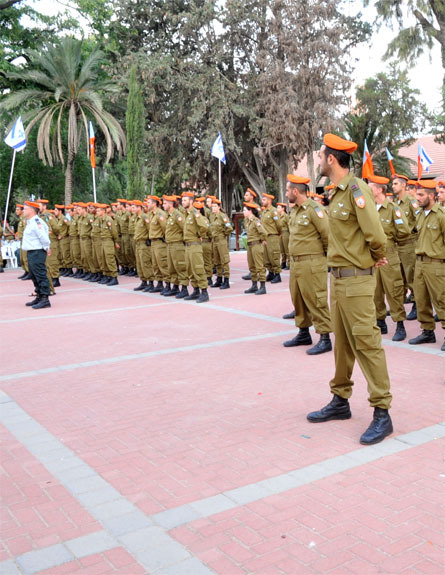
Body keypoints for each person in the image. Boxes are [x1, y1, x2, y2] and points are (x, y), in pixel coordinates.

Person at [307, 133, 393, 446]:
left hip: (357, 281)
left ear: (331, 159)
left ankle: (382, 411)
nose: (318, 159)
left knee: (366, 344)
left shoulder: (357, 190)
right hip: (339, 281)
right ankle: (340, 400)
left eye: (320, 155)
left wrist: (375, 256)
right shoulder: (337, 193)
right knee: (342, 345)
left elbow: (376, 233)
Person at [283, 174, 332, 355]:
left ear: (296, 191)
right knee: (299, 299)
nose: (286, 193)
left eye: (288, 190)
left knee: (316, 299)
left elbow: (327, 235)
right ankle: (303, 333)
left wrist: (325, 260)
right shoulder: (295, 211)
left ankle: (325, 337)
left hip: (312, 262)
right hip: (296, 264)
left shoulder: (314, 209)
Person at [368, 174, 410, 342]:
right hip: (372, 255)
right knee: (375, 290)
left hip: (389, 253)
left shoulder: (393, 208)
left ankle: (400, 325)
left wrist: (391, 244)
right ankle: (380, 321)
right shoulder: (368, 208)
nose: (368, 191)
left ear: (379, 190)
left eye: (370, 188)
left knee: (394, 290)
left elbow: (404, 231)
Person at [408, 180, 445, 351]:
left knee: (441, 300)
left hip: (436, 265)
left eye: (421, 195)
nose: (418, 198)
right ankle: (428, 331)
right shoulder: (420, 215)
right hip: (420, 264)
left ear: (431, 195)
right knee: (421, 300)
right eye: (417, 195)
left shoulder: (441, 215)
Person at [392, 174, 418, 319]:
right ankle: (399, 306)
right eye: (393, 183)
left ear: (403, 185)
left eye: (396, 183)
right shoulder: (396, 202)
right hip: (397, 245)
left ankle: (417, 305)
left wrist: (412, 231)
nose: (393, 186)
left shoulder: (411, 202)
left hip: (409, 244)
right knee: (399, 277)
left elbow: (419, 219)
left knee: (411, 276)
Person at [21, 201, 51, 309]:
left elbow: (43, 237)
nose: (23, 211)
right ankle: (39, 295)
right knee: (33, 275)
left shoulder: (37, 222)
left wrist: (47, 247)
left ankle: (45, 298)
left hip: (37, 252)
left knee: (40, 275)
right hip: (31, 252)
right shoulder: (30, 222)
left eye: (25, 208)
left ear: (32, 210)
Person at [182, 191, 210, 303]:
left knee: (198, 268)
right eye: (182, 200)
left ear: (191, 201)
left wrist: (199, 235)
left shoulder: (194, 213)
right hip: (187, 246)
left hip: (194, 245)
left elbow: (204, 226)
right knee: (190, 269)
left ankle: (204, 292)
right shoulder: (186, 214)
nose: (182, 202)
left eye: (185, 200)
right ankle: (196, 290)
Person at [243, 202, 267, 295]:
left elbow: (263, 232)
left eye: (245, 210)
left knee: (259, 266)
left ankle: (263, 286)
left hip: (256, 245)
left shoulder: (255, 221)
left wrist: (263, 240)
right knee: (251, 266)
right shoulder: (248, 221)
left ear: (250, 211)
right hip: (250, 245)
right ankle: (254, 285)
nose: (243, 212)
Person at [209, 198, 232, 289]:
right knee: (217, 261)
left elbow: (229, 228)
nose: (213, 208)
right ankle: (219, 279)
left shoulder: (223, 216)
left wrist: (223, 235)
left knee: (224, 260)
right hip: (214, 241)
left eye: (215, 206)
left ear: (219, 207)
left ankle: (226, 280)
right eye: (212, 206)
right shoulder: (212, 217)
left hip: (221, 240)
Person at [261, 193, 282, 283]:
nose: (262, 201)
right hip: (265, 238)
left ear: (269, 200)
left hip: (272, 236)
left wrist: (277, 233)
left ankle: (277, 274)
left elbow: (279, 225)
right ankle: (270, 273)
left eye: (264, 200)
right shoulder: (264, 211)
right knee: (266, 257)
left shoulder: (274, 211)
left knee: (274, 255)